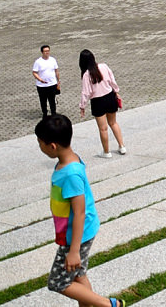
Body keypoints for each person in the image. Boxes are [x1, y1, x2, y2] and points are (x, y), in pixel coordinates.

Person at [35, 114, 126, 307]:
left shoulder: (70, 174)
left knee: (57, 282)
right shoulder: (69, 159)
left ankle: (110, 305)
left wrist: (74, 250)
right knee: (78, 275)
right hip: (79, 231)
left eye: (40, 143)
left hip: (76, 236)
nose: (40, 147)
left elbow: (79, 212)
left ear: (52, 146)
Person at [79, 49, 126, 158]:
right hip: (110, 96)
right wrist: (116, 91)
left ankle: (106, 152)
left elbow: (86, 92)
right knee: (113, 123)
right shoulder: (104, 66)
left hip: (97, 101)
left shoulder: (86, 75)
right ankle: (122, 146)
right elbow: (112, 80)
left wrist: (82, 106)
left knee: (103, 128)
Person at [32, 45, 61, 118]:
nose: (47, 53)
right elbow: (34, 72)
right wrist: (40, 79)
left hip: (52, 84)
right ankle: (44, 113)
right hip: (41, 86)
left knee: (52, 100)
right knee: (43, 100)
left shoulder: (53, 60)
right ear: (42, 52)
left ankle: (53, 113)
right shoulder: (38, 62)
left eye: (48, 51)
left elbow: (56, 71)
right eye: (45, 51)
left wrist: (58, 81)